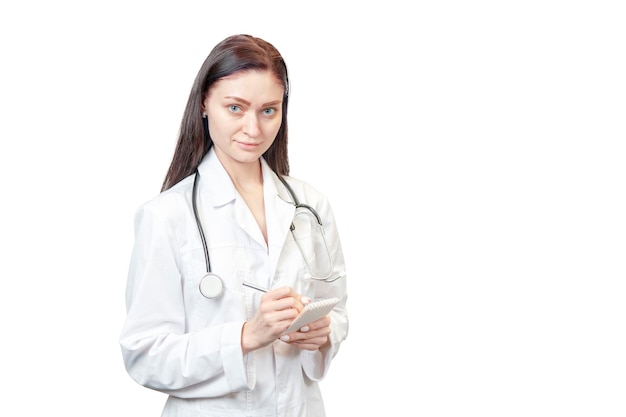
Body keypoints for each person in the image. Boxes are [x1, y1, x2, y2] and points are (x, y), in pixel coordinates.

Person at [119, 34, 349, 417]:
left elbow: (338, 312)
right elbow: (144, 353)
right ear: (205, 103)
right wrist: (246, 336)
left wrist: (322, 333)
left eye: (268, 111)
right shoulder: (167, 215)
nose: (253, 129)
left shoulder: (311, 206)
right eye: (235, 108)